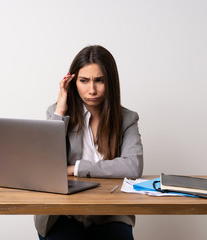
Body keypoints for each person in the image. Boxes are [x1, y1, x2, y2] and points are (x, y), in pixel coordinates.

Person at [34, 45, 143, 240]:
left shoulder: (127, 119)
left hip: (110, 212)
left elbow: (132, 167)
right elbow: (45, 166)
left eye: (99, 81)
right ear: (73, 82)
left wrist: (75, 168)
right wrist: (60, 109)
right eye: (84, 81)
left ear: (110, 82)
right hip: (63, 212)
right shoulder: (57, 113)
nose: (92, 90)